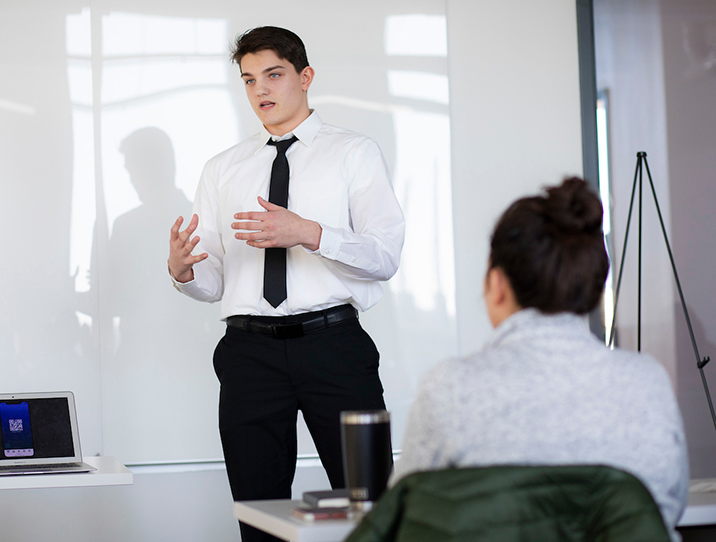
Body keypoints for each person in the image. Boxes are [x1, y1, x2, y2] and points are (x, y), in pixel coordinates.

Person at [167, 26, 405, 542]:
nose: (261, 91)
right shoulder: (222, 169)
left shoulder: (353, 153)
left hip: (334, 348)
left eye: (273, 75)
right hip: (248, 354)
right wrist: (184, 271)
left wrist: (309, 233)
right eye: (249, 80)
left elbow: (384, 256)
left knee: (371, 506)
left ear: (305, 77)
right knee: (259, 516)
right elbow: (213, 282)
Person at [392, 178, 688, 541]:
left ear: (497, 285)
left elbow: (403, 516)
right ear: (590, 287)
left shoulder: (450, 387)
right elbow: (662, 512)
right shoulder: (647, 383)